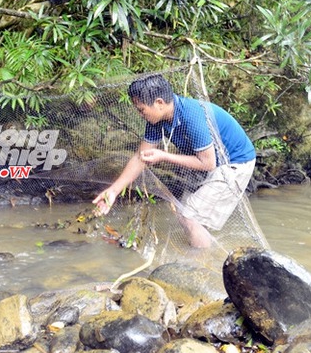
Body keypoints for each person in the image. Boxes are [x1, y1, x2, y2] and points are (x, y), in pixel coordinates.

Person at [92, 74, 256, 248]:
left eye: (141, 110)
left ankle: (199, 265)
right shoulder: (157, 120)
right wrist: (113, 191)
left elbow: (208, 163)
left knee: (190, 216)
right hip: (208, 163)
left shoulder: (191, 115)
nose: (141, 115)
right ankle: (203, 251)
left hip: (235, 163)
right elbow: (141, 157)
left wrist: (164, 155)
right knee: (184, 213)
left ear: (160, 103)